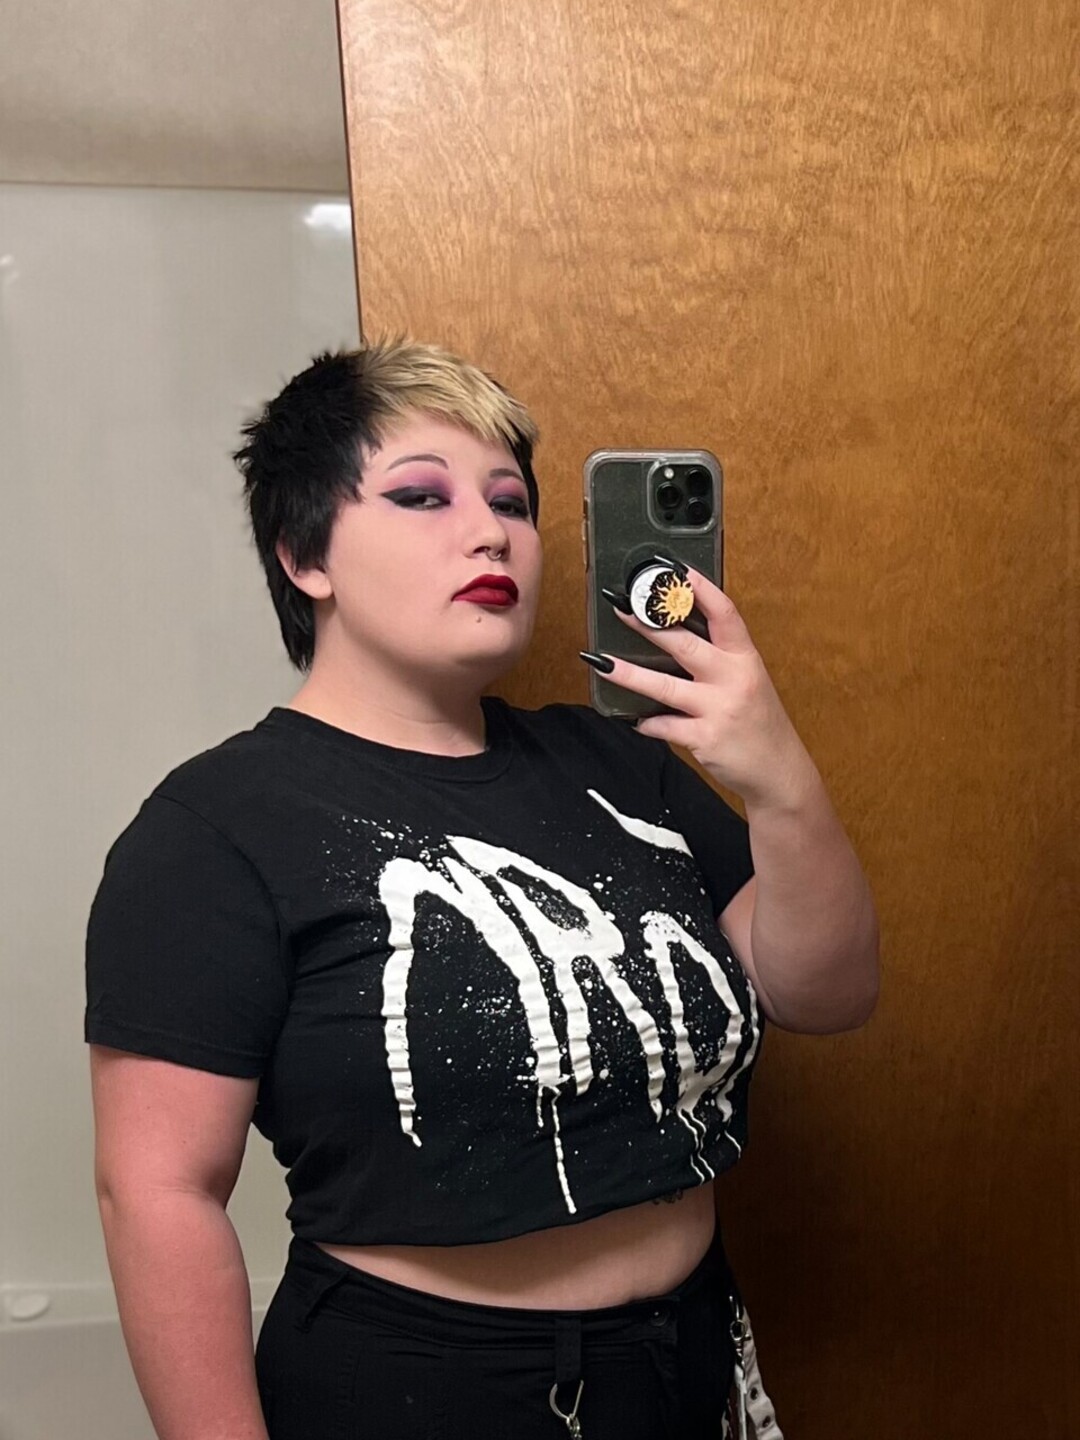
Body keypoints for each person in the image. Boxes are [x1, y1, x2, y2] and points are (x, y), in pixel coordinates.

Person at [85, 339, 879, 1440]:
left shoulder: (623, 767)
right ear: (303, 556)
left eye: (511, 502)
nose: (490, 530)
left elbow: (827, 994)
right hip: (418, 1389)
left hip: (691, 1360)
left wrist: (780, 777)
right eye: (422, 496)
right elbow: (158, 1194)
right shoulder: (216, 826)